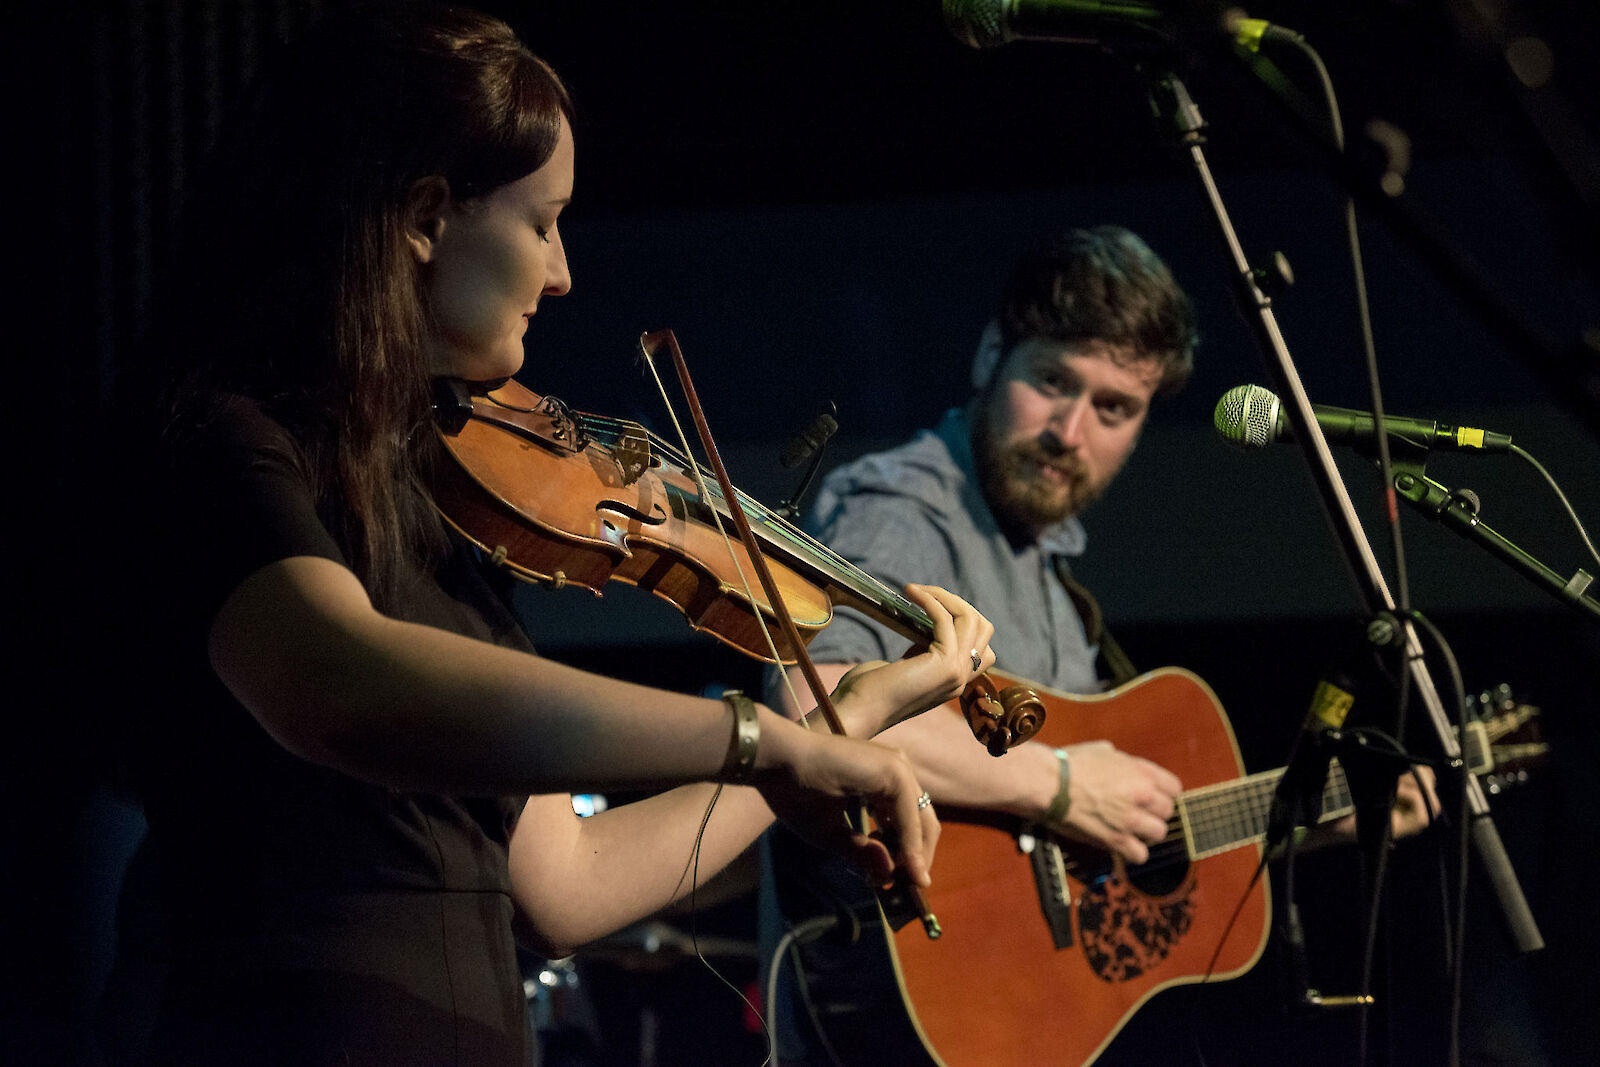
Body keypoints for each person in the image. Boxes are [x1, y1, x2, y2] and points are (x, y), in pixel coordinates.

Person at [116, 5, 1000, 1065]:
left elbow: (565, 883)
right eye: (543, 222)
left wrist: (834, 721)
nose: (565, 270)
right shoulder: (228, 441)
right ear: (426, 217)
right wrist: (761, 739)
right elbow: (335, 680)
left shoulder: (433, 510)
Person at [763, 225, 1438, 1061]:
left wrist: (1315, 815)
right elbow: (811, 707)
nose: (1070, 431)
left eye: (1113, 408)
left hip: (1016, 1013)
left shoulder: (1046, 568)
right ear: (988, 357)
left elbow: (1112, 840)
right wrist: (1060, 782)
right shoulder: (909, 507)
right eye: (1052, 381)